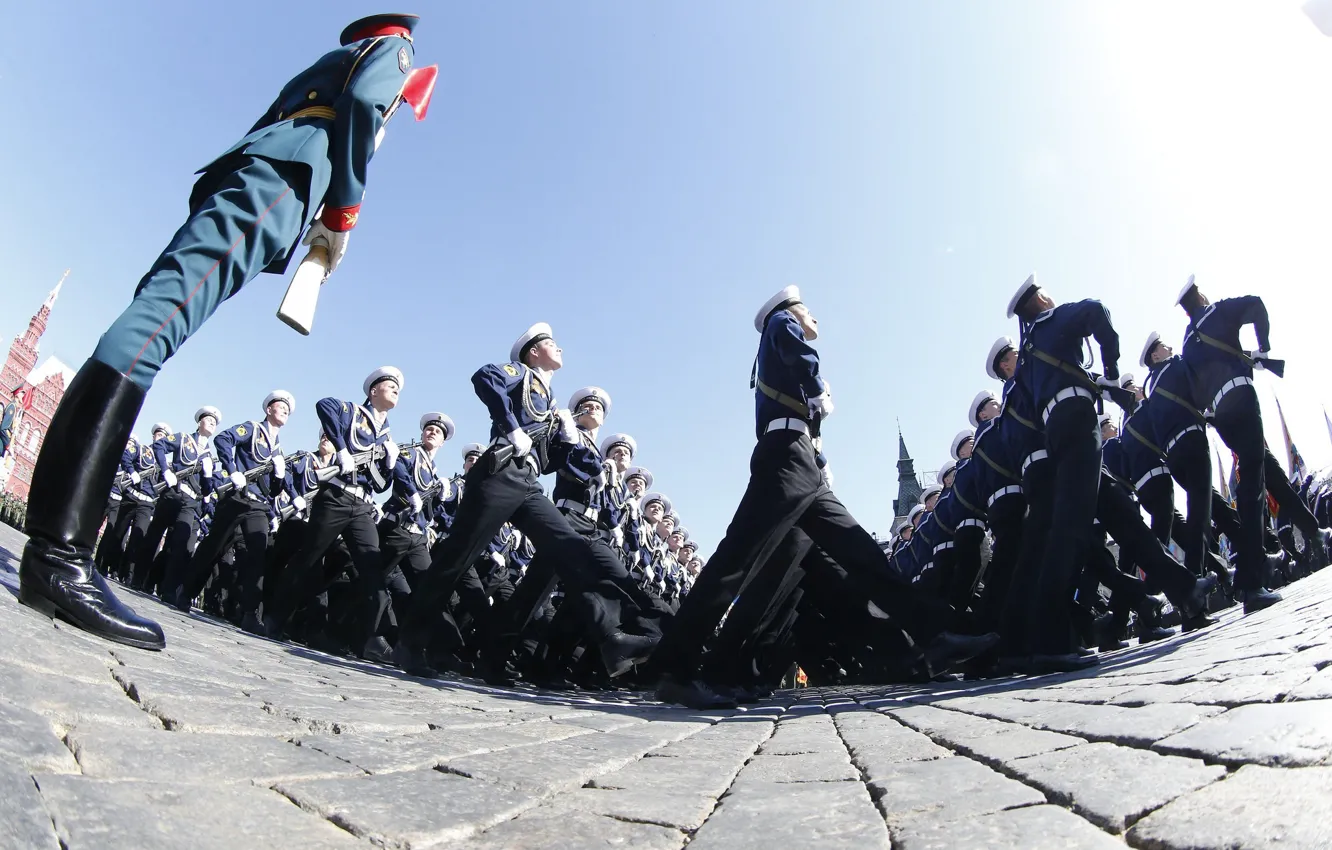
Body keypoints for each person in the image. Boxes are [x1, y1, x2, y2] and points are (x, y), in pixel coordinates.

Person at [14, 13, 430, 650]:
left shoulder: (340, 55)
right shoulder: (395, 47)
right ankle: (59, 556)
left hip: (258, 171)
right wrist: (343, 210)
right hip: (283, 180)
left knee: (150, 319)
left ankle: (54, 545)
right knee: (154, 330)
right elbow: (367, 105)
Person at [652, 286, 997, 709]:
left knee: (863, 553)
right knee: (736, 560)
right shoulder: (782, 323)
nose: (814, 319)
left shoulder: (780, 340)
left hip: (804, 466)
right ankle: (674, 667)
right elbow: (794, 345)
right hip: (784, 460)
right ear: (791, 311)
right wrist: (815, 387)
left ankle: (934, 637)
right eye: (808, 311)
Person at [392, 323, 655, 679]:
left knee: (572, 548)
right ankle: (410, 643)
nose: (560, 349)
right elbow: (484, 377)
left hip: (528, 481)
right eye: (552, 344)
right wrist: (512, 427)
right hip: (499, 472)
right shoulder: (522, 375)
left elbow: (555, 464)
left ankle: (612, 638)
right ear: (534, 352)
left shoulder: (551, 403)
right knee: (457, 558)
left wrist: (567, 436)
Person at [1177, 276, 1328, 612]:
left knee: (1270, 473)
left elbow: (1196, 391)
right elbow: (1256, 304)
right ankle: (1251, 582)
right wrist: (1264, 348)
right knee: (1253, 488)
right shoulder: (1216, 313)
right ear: (1201, 295)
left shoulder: (1188, 344)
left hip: (1222, 417)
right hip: (1242, 400)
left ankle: (1314, 532)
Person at [263, 368, 403, 637]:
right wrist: (341, 449)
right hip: (336, 497)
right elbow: (324, 405)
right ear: (374, 391)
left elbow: (380, 485)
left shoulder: (386, 436)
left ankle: (369, 638)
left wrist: (390, 462)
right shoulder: (351, 411)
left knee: (372, 569)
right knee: (307, 559)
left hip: (362, 506)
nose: (397, 389)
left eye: (399, 388)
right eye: (391, 385)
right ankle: (275, 619)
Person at [170, 390, 295, 633]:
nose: (284, 410)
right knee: (214, 546)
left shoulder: (278, 449)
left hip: (258, 505)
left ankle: (250, 613)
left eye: (288, 410)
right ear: (268, 409)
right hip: (237, 498)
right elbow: (223, 440)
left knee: (257, 554)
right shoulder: (252, 429)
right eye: (280, 406)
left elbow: (274, 490)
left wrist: (279, 475)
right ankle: (185, 591)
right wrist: (231, 468)